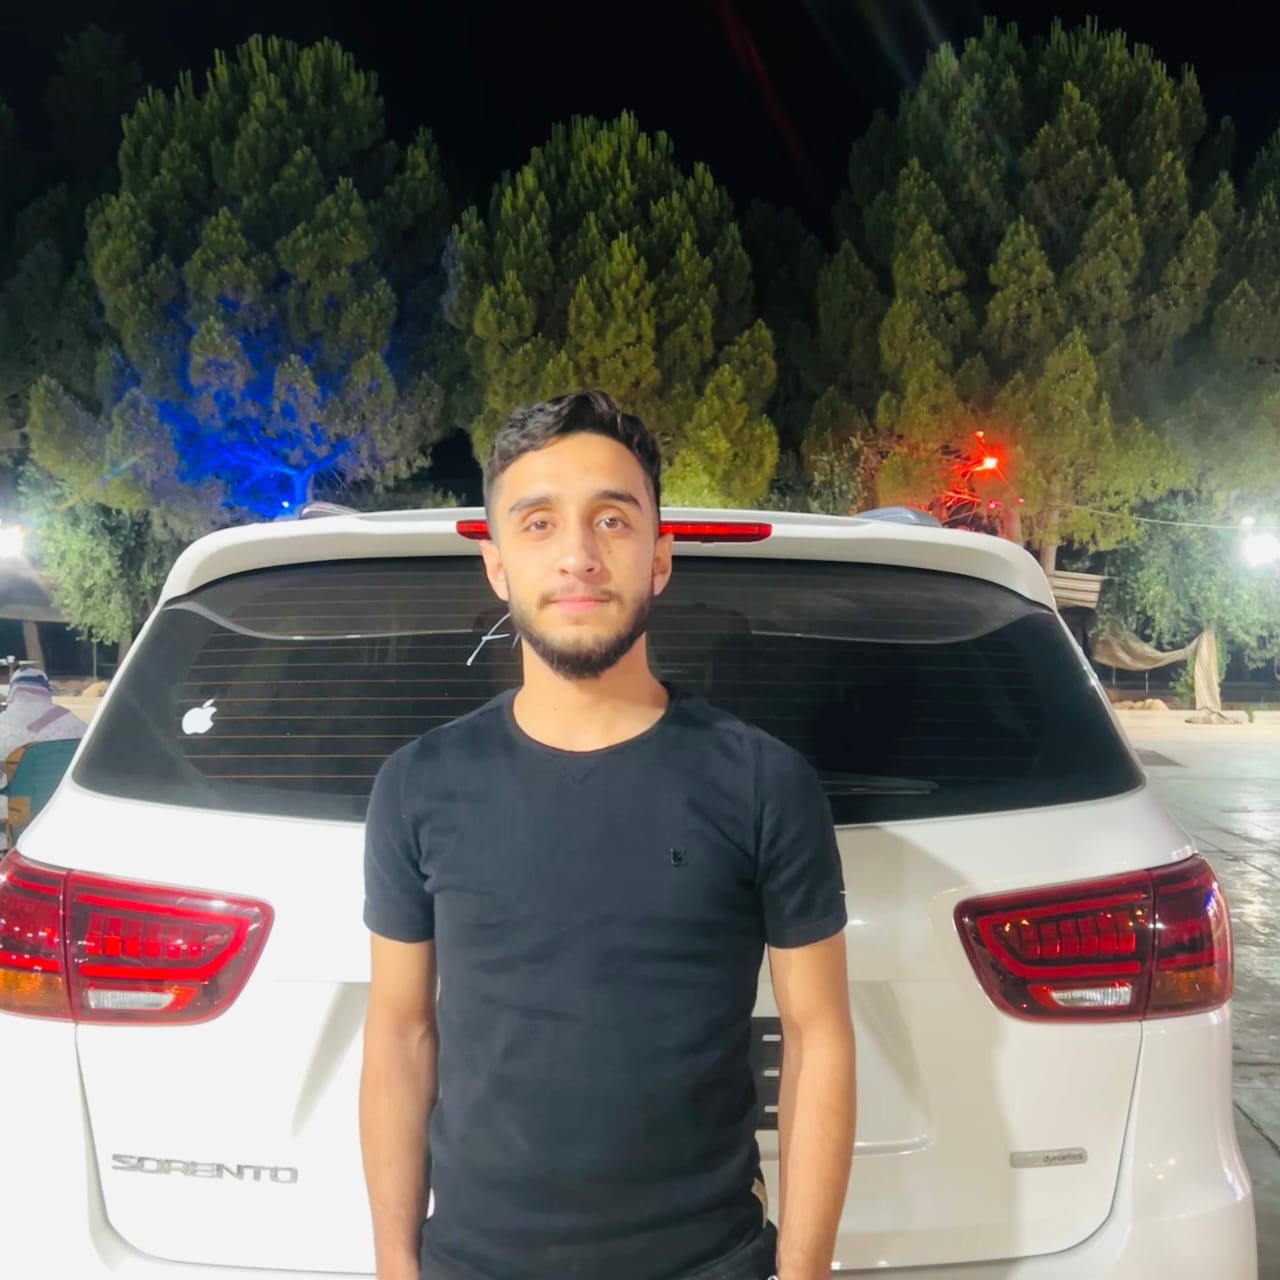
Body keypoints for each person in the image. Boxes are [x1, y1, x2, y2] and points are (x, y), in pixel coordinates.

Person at [360, 390, 856, 1280]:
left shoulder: (765, 783)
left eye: (613, 520)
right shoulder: (417, 786)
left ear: (660, 556)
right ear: (497, 565)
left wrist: (804, 1273)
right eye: (539, 523)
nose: (578, 556)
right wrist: (396, 1267)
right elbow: (400, 1034)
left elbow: (820, 1038)